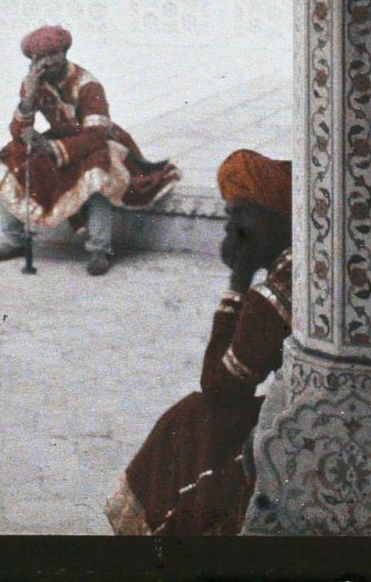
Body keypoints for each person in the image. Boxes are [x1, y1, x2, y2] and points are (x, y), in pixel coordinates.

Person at [106, 149, 293, 537]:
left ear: (276, 215)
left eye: (241, 214)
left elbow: (220, 387)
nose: (232, 229)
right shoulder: (299, 265)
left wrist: (239, 281)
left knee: (194, 420)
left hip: (296, 426)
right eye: (229, 216)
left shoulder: (275, 293)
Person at [0, 25, 179, 276]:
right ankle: (15, 241)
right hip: (61, 140)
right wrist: (29, 97)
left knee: (96, 171)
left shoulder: (88, 84)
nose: (47, 62)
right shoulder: (32, 83)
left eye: (53, 55)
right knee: (11, 156)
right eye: (40, 58)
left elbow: (95, 135)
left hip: (98, 140)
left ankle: (100, 249)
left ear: (64, 53)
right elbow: (18, 131)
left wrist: (52, 148)